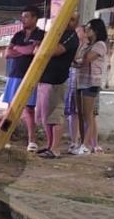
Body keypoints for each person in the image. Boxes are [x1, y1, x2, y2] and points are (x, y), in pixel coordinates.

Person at [35, 13, 80, 159]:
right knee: (46, 116)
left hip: (57, 80)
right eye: (68, 18)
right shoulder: (58, 33)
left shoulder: (71, 36)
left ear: (76, 22)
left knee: (55, 115)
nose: (68, 22)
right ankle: (49, 145)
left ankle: (55, 149)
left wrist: (42, 48)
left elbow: (54, 51)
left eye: (72, 19)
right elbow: (37, 50)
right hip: (46, 79)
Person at [3, 6, 45, 152]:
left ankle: (32, 140)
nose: (23, 19)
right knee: (10, 110)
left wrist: (18, 49)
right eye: (23, 16)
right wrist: (24, 50)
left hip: (29, 76)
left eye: (26, 16)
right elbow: (7, 53)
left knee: (29, 109)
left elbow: (33, 51)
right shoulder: (18, 35)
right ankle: (4, 137)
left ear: (35, 18)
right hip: (14, 75)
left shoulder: (41, 34)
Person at [73, 18, 108, 155]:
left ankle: (86, 145)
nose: (85, 31)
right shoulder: (86, 45)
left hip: (91, 82)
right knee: (81, 114)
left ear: (96, 30)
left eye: (88, 28)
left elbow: (86, 60)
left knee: (88, 114)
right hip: (80, 81)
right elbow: (76, 60)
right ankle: (82, 142)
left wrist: (82, 43)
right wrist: (82, 45)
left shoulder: (100, 45)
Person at [64, 21, 85, 153]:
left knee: (84, 113)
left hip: (84, 82)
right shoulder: (74, 45)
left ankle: (85, 142)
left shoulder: (88, 47)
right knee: (72, 112)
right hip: (72, 81)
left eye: (79, 31)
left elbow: (81, 62)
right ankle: (74, 141)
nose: (77, 34)